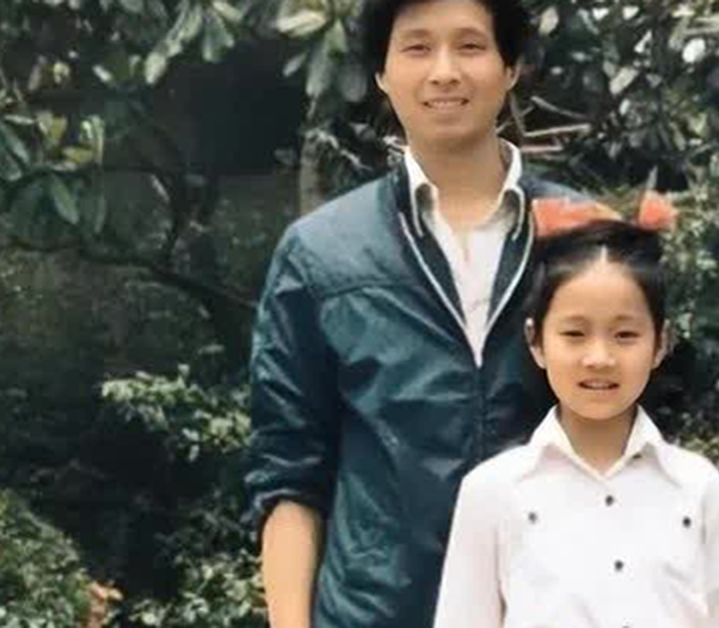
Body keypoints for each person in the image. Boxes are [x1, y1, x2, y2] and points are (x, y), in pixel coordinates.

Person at [244, 0, 581, 626]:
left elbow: (633, 452)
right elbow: (289, 472)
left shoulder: (582, 239)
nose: (444, 71)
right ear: (382, 72)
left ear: (511, 67)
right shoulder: (322, 255)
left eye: (470, 46)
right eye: (418, 47)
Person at [432, 199, 719, 628]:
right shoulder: (492, 492)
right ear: (536, 341)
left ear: (660, 343)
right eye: (574, 333)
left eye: (624, 335)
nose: (599, 358)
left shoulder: (698, 487)